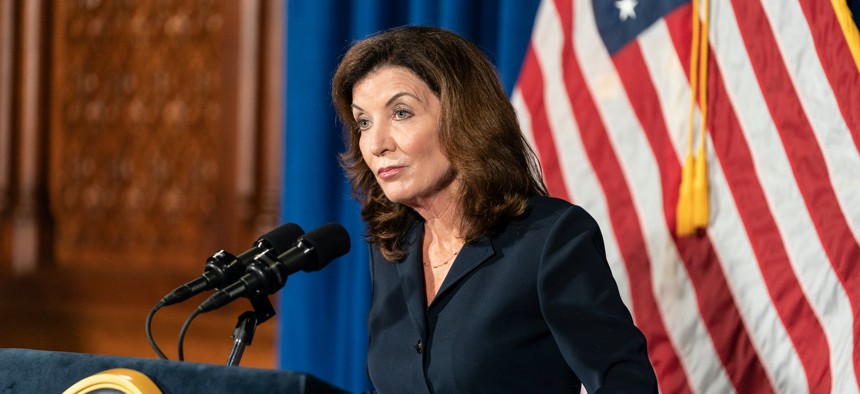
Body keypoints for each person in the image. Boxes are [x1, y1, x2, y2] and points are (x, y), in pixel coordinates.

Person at [332, 25, 657, 393]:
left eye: (401, 113)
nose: (375, 144)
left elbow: (625, 382)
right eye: (364, 122)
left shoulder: (549, 240)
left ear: (464, 117)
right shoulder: (394, 246)